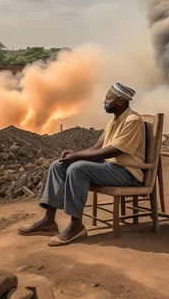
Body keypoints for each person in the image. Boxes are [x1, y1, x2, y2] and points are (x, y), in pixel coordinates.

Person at [18, 82, 145, 246]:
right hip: (111, 167)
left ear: (120, 101)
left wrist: (77, 158)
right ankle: (48, 222)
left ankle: (76, 226)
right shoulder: (114, 121)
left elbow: (113, 151)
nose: (104, 101)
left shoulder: (132, 120)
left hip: (127, 173)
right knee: (58, 165)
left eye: (108, 98)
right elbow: (97, 147)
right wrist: (73, 154)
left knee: (78, 169)